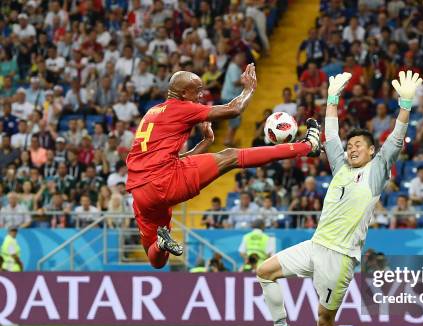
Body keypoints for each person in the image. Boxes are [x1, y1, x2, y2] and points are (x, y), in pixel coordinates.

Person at [256, 70, 422, 326]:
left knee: (323, 322)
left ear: (373, 152)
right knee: (264, 271)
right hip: (316, 245)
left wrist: (405, 104)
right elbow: (331, 135)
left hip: (341, 258)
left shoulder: (376, 172)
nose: (352, 148)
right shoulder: (340, 167)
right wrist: (331, 98)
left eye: (359, 144)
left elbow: (396, 139)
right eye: (350, 145)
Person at [126, 66, 322, 269]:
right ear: (183, 93)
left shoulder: (151, 113)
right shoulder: (181, 107)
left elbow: (169, 160)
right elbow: (234, 110)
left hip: (141, 193)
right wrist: (248, 90)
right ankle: (308, 145)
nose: (201, 95)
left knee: (157, 258)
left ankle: (160, 244)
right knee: (231, 156)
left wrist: (204, 144)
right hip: (163, 182)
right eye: (197, 90)